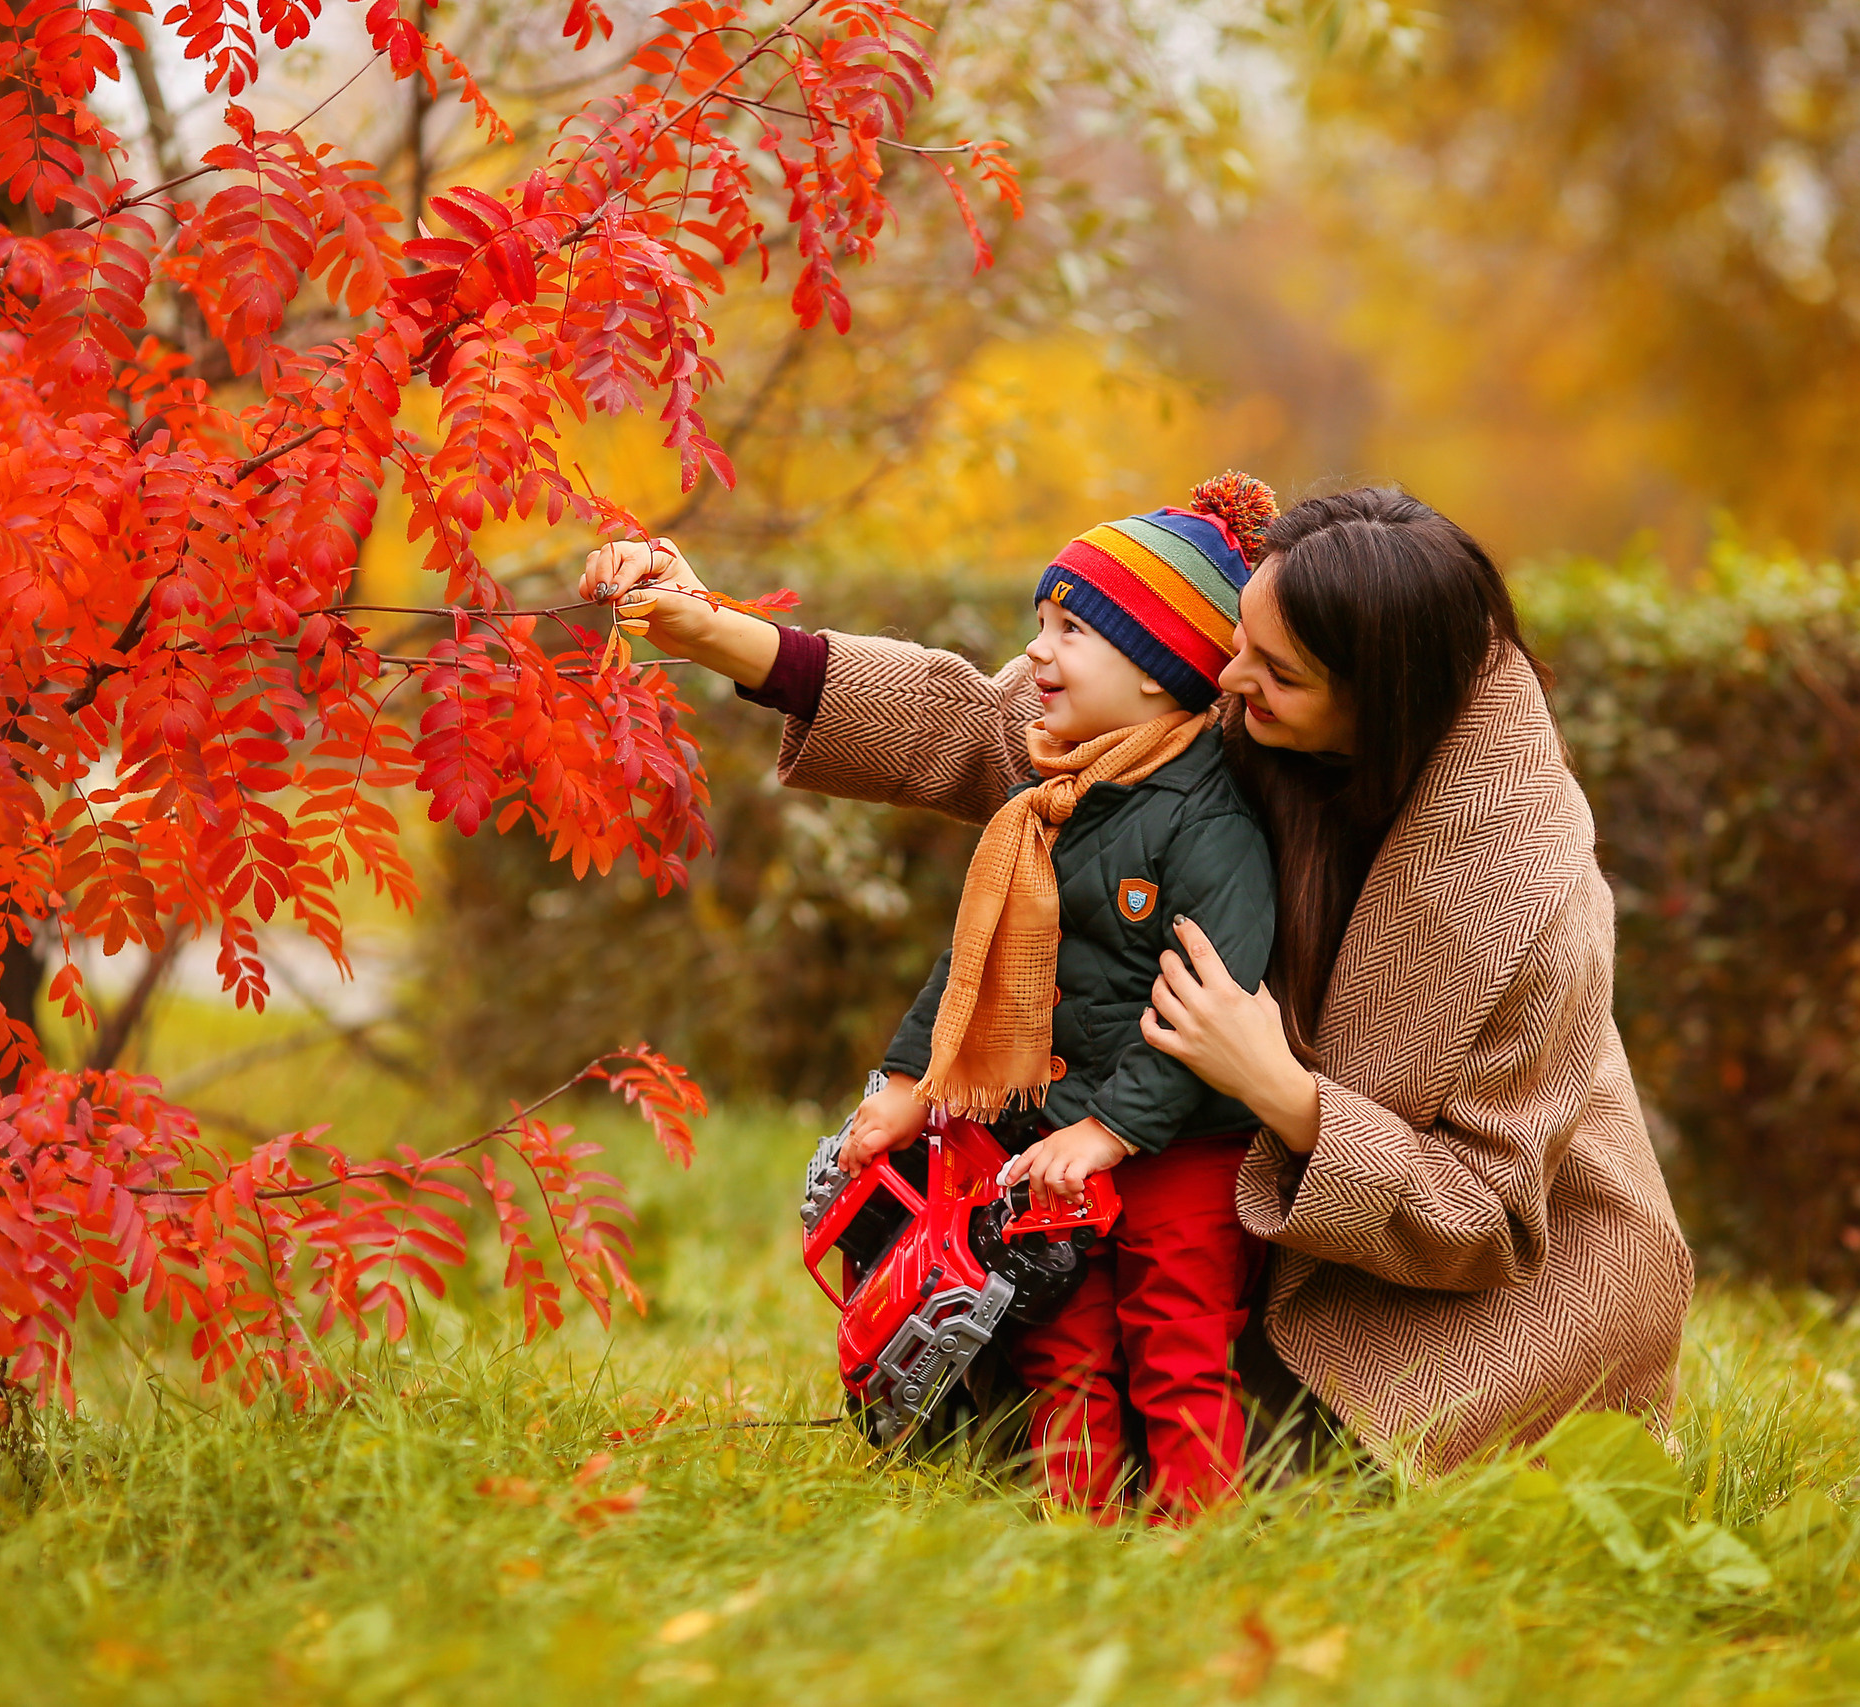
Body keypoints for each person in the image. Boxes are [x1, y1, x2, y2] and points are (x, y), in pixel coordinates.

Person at [584, 484, 1693, 1474]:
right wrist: (719, 634)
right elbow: (994, 723)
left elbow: (1482, 1221)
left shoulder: (1528, 894)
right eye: (1238, 639)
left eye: (1275, 673)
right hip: (1214, 1182)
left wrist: (1286, 1093)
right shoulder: (1251, 663)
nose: (1225, 675)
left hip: (1477, 1312)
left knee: (1290, 1471)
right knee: (1057, 1413)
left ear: (1378, 702)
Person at [824, 479, 1282, 1518]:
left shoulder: (1213, 827)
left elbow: (1211, 1004)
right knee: (1060, 1349)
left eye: (1069, 629)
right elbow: (973, 963)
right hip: (1051, 1145)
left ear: (1164, 672)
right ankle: (1073, 1532)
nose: (1035, 651)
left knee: (1175, 1346)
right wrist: (908, 1084)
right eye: (1041, 622)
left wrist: (1114, 1134)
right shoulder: (1053, 803)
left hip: (1180, 1154)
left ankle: (1194, 1539)